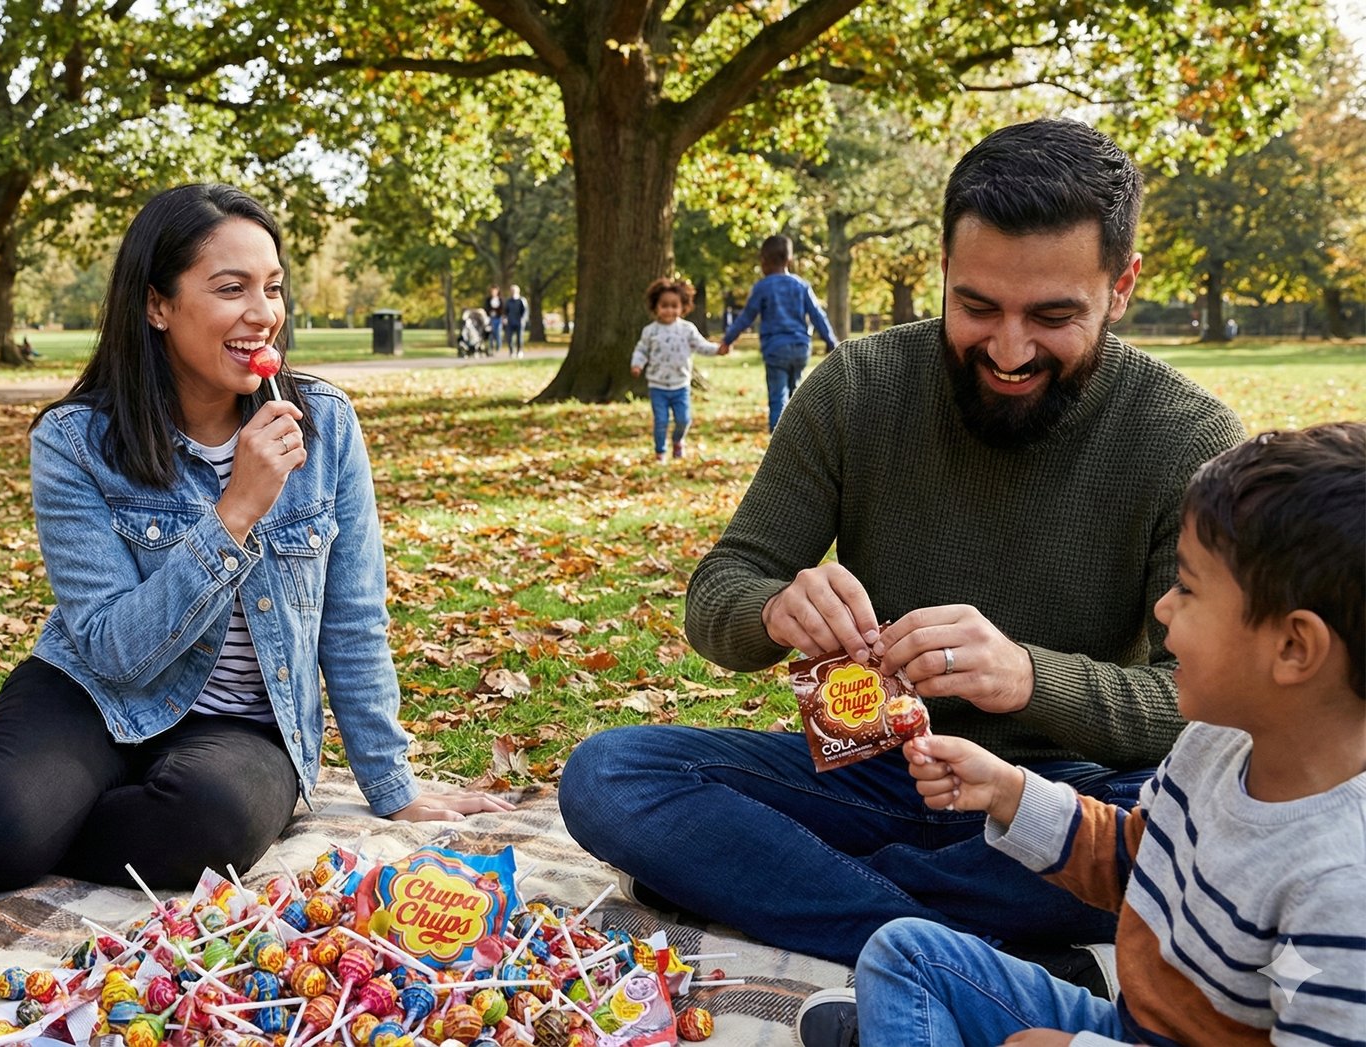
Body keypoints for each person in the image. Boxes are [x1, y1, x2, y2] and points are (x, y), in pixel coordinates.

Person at [558, 118, 1247, 978]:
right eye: (978, 305)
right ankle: (971, 950)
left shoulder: (1187, 437)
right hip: (867, 773)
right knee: (609, 774)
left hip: (1062, 796)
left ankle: (817, 895)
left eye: (1053, 315)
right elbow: (719, 593)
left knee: (1216, 828)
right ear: (944, 272)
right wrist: (774, 608)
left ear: (1122, 286)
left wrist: (1029, 677)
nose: (1009, 350)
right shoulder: (859, 385)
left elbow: (1211, 706)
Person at [0, 183, 514, 890]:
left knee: (208, 825)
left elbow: (354, 620)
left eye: (272, 288)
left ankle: (24, 817)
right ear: (157, 305)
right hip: (92, 692)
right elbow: (114, 652)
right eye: (230, 288)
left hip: (243, 725)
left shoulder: (327, 424)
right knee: (2, 832)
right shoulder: (76, 442)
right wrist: (235, 511)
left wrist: (392, 784)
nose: (262, 314)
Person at [855, 423, 1366, 1047]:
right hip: (1131, 1025)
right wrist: (1011, 793)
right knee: (906, 952)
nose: (1163, 608)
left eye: (1188, 588)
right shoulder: (1214, 743)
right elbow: (1135, 858)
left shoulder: (1343, 885)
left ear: (1292, 646)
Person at [718, 235, 838, 432]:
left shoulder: (762, 287)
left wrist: (728, 340)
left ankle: (778, 441)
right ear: (789, 260)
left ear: (763, 262)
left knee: (777, 396)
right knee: (795, 394)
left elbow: (746, 317)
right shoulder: (801, 286)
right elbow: (818, 316)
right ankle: (798, 434)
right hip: (800, 348)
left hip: (775, 349)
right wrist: (831, 342)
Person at [629, 276, 724, 463]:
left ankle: (678, 441)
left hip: (680, 385)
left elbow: (701, 345)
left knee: (683, 420)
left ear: (683, 307)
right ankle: (660, 452)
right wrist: (637, 364)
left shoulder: (687, 329)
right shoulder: (651, 331)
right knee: (661, 421)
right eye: (664, 305)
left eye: (674, 306)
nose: (669, 310)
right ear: (656, 307)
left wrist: (718, 350)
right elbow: (642, 349)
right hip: (658, 386)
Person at [504, 284, 528, 357]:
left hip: (519, 322)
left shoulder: (522, 300)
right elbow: (505, 311)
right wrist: (505, 318)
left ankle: (519, 351)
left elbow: (525, 311)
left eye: (514, 290)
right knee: (509, 338)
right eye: (512, 290)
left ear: (518, 291)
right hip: (510, 322)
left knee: (519, 338)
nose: (513, 292)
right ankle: (511, 352)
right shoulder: (508, 301)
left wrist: (523, 319)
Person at [485, 284, 504, 354]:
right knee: (491, 334)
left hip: (498, 318)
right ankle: (491, 348)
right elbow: (486, 309)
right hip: (490, 319)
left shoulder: (500, 299)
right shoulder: (488, 300)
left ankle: (498, 348)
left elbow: (502, 309)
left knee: (498, 333)